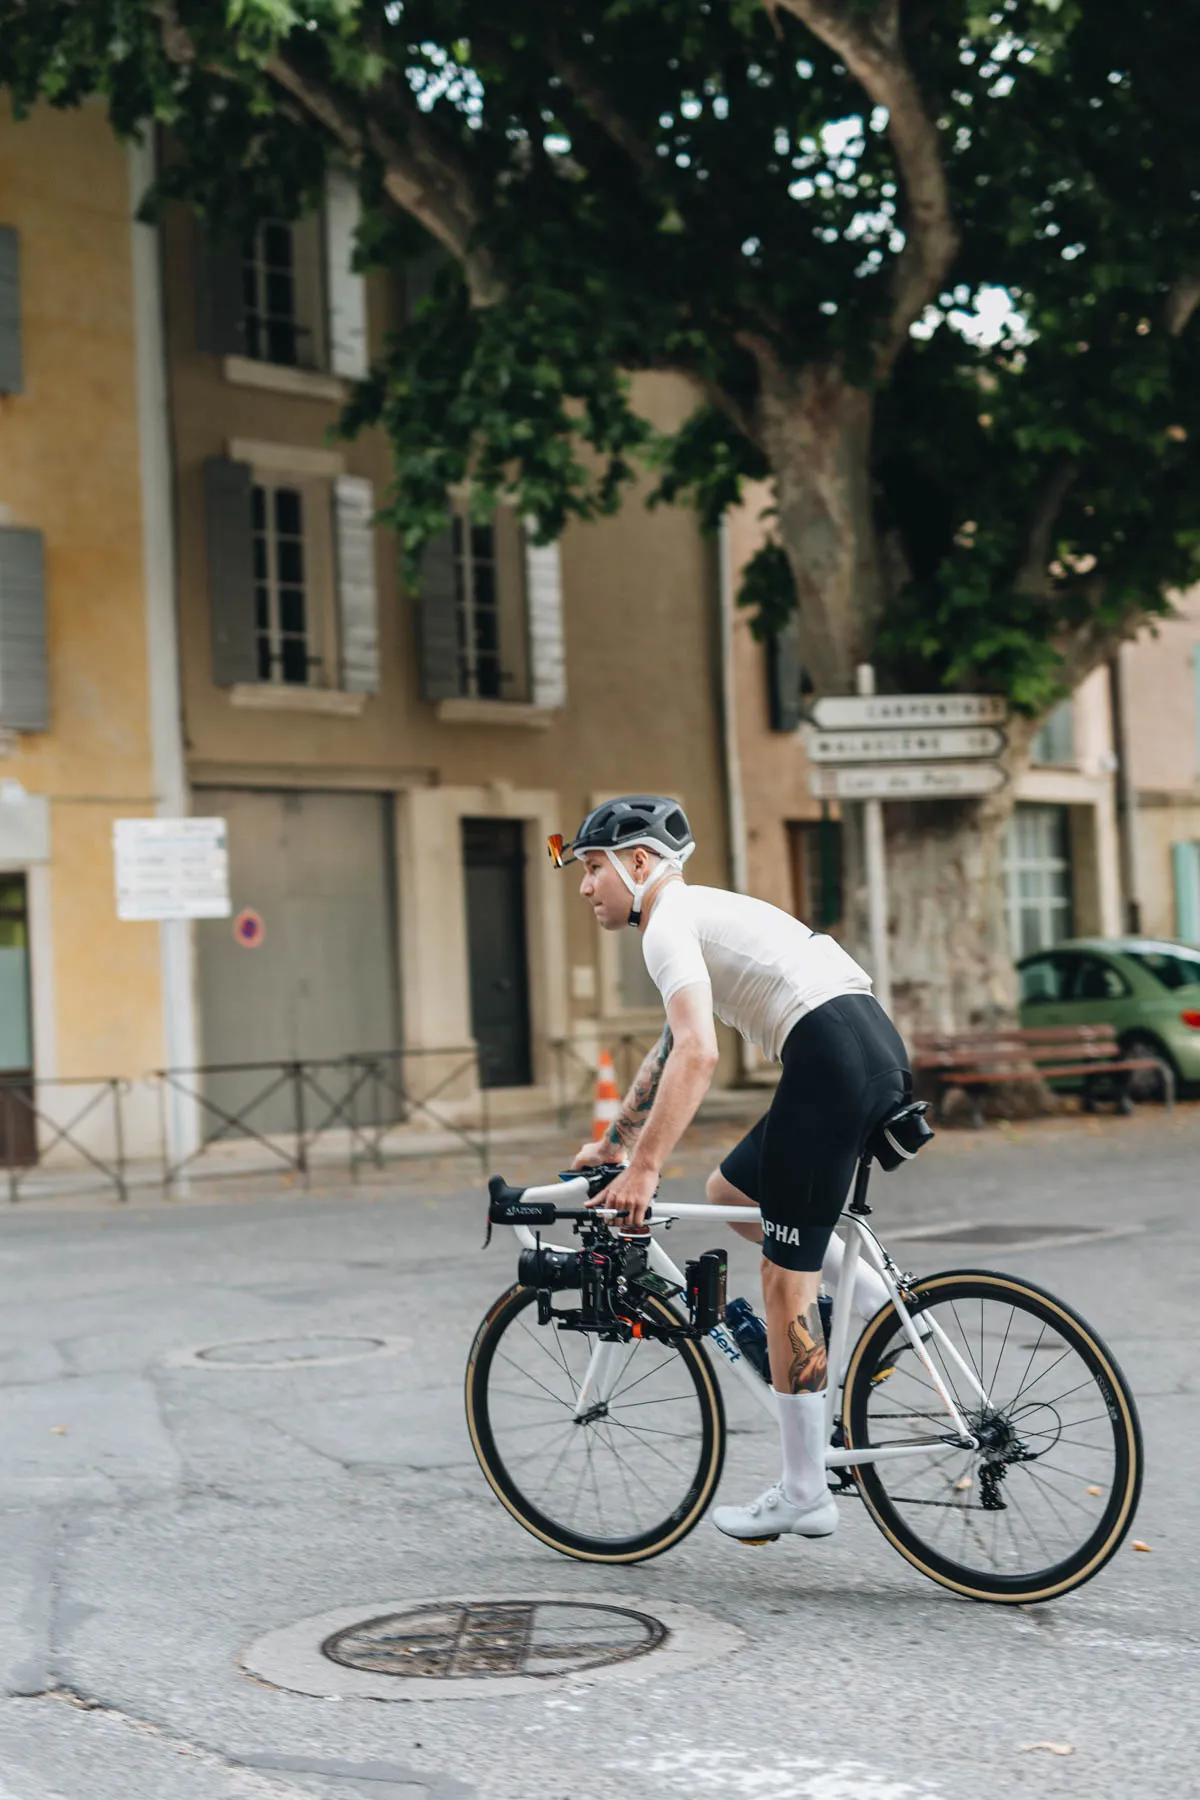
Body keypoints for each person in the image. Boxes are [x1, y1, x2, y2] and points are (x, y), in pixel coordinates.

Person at [549, 794, 910, 1544]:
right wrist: (619, 1140)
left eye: (591, 869)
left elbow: (699, 1053)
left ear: (638, 863)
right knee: (732, 1195)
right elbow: (672, 1043)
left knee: (786, 1281)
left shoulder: (668, 924)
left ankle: (806, 1490)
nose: (586, 887)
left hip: (830, 1056)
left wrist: (644, 1171)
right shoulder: (695, 914)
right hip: (862, 1044)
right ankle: (874, 1304)